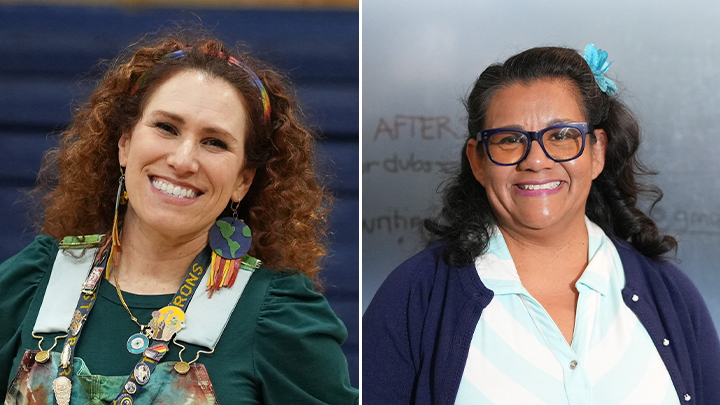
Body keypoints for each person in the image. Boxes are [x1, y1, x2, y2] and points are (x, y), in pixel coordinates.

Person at [0, 31, 358, 405]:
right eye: (166, 128)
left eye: (214, 142)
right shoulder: (34, 281)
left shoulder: (279, 317)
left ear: (242, 180)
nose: (183, 160)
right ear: (124, 143)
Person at [363, 45, 720, 404]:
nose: (535, 160)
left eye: (561, 136)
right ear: (477, 161)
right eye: (509, 140)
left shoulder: (672, 296)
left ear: (597, 152)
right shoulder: (413, 299)